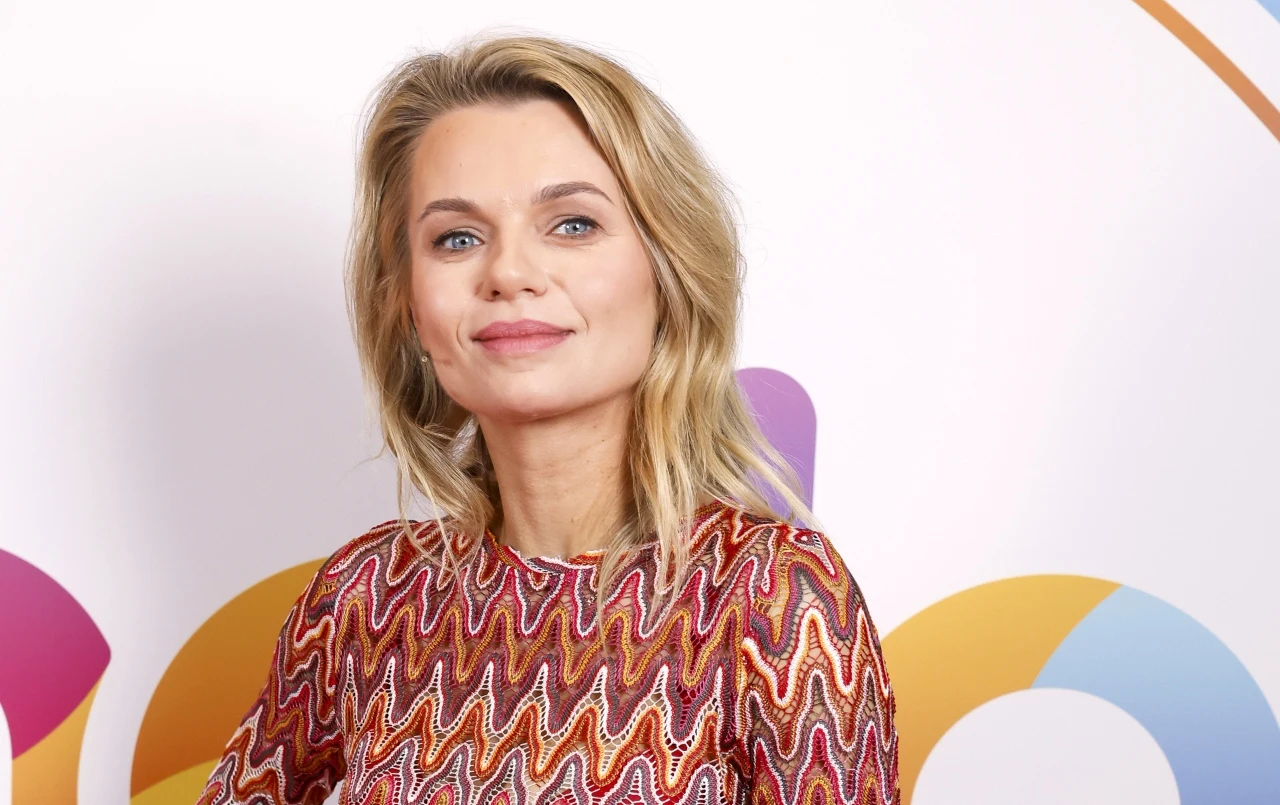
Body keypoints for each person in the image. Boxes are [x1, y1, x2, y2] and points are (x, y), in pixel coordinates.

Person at [195, 30, 899, 805]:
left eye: (572, 224)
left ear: (667, 270)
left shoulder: (771, 599)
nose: (509, 272)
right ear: (407, 303)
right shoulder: (368, 597)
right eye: (457, 237)